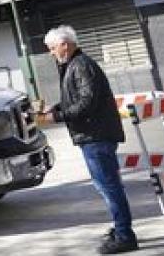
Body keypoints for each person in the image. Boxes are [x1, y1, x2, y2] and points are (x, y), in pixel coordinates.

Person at [41, 25, 138, 254]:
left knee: (109, 187)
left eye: (53, 48)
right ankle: (121, 228)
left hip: (96, 136)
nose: (51, 53)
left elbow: (87, 103)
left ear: (65, 44)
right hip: (93, 135)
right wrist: (53, 109)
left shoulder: (81, 66)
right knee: (107, 186)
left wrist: (56, 116)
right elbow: (74, 98)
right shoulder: (73, 65)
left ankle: (124, 235)